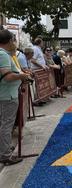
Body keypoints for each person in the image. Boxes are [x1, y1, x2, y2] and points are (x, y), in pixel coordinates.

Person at [0, 30, 30, 165]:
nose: (15, 43)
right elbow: (7, 76)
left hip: (6, 94)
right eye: (14, 40)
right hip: (7, 95)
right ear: (9, 41)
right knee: (6, 125)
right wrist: (22, 76)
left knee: (5, 124)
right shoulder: (3, 55)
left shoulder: (5, 54)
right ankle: (5, 155)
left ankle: (4, 149)